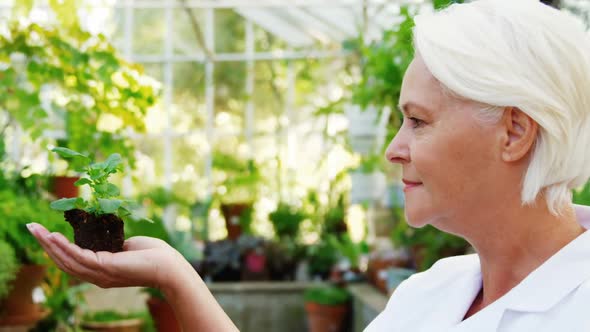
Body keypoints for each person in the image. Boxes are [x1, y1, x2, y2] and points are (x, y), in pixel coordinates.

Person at [27, 0, 590, 331]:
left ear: (514, 132)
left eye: (418, 121)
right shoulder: (433, 293)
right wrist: (175, 275)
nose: (394, 149)